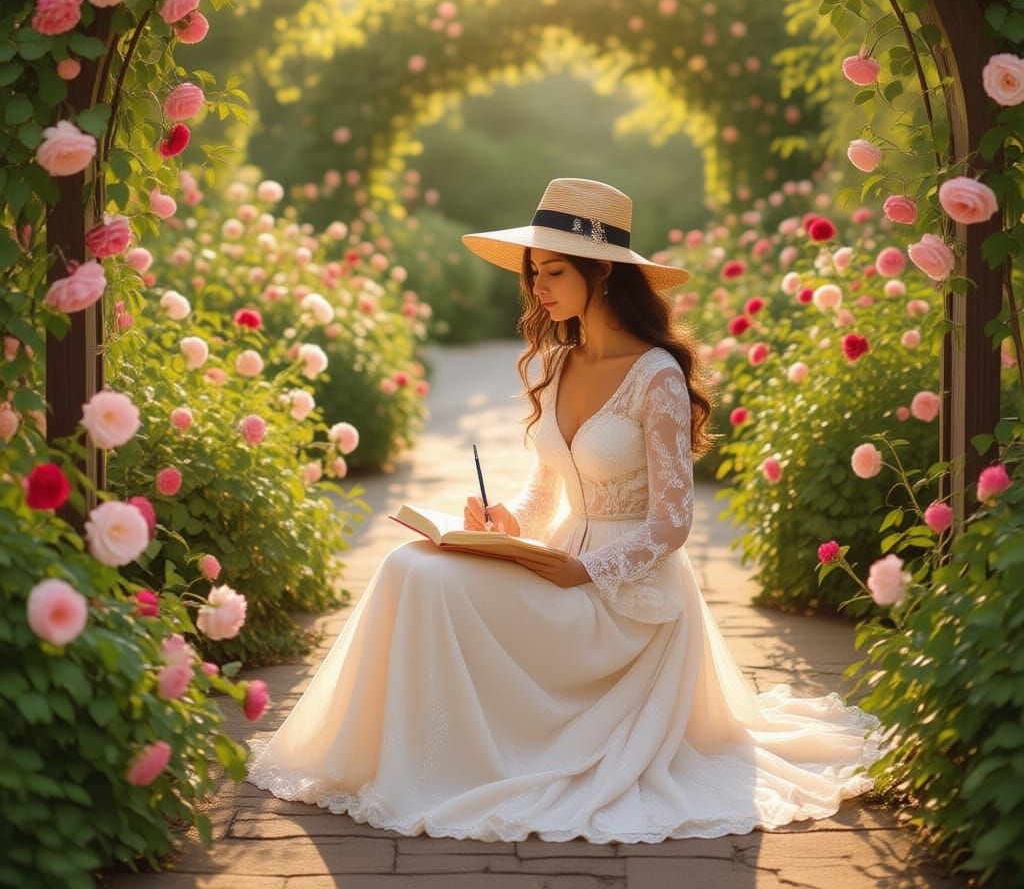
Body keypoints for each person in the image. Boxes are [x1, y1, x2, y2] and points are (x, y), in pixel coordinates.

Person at [245, 177, 886, 843]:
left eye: (553, 271)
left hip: (622, 597)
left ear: (601, 270)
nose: (538, 288)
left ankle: (453, 760)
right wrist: (502, 524)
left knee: (421, 578)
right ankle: (418, 757)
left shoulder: (656, 375)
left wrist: (584, 571)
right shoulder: (552, 363)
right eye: (533, 274)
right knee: (411, 564)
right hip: (550, 563)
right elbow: (543, 494)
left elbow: (672, 523)